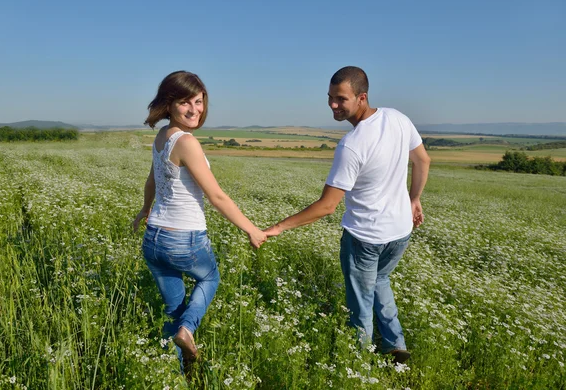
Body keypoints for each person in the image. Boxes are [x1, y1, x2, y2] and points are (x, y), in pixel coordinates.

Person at [264, 66, 430, 364]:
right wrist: (414, 199)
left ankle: (358, 363)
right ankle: (395, 344)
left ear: (361, 98)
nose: (333, 105)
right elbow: (422, 160)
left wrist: (279, 227)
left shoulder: (352, 145)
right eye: (329, 98)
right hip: (400, 231)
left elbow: (327, 206)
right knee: (381, 280)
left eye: (340, 99)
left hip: (365, 237)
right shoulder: (398, 118)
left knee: (360, 305)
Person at [133, 71, 267, 373]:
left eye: (199, 101)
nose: (195, 109)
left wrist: (144, 211)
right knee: (210, 278)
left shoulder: (162, 136)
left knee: (173, 310)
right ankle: (189, 330)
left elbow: (152, 179)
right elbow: (217, 196)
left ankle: (177, 374)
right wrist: (251, 229)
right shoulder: (186, 141)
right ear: (168, 104)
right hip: (184, 238)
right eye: (185, 102)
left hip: (153, 239)